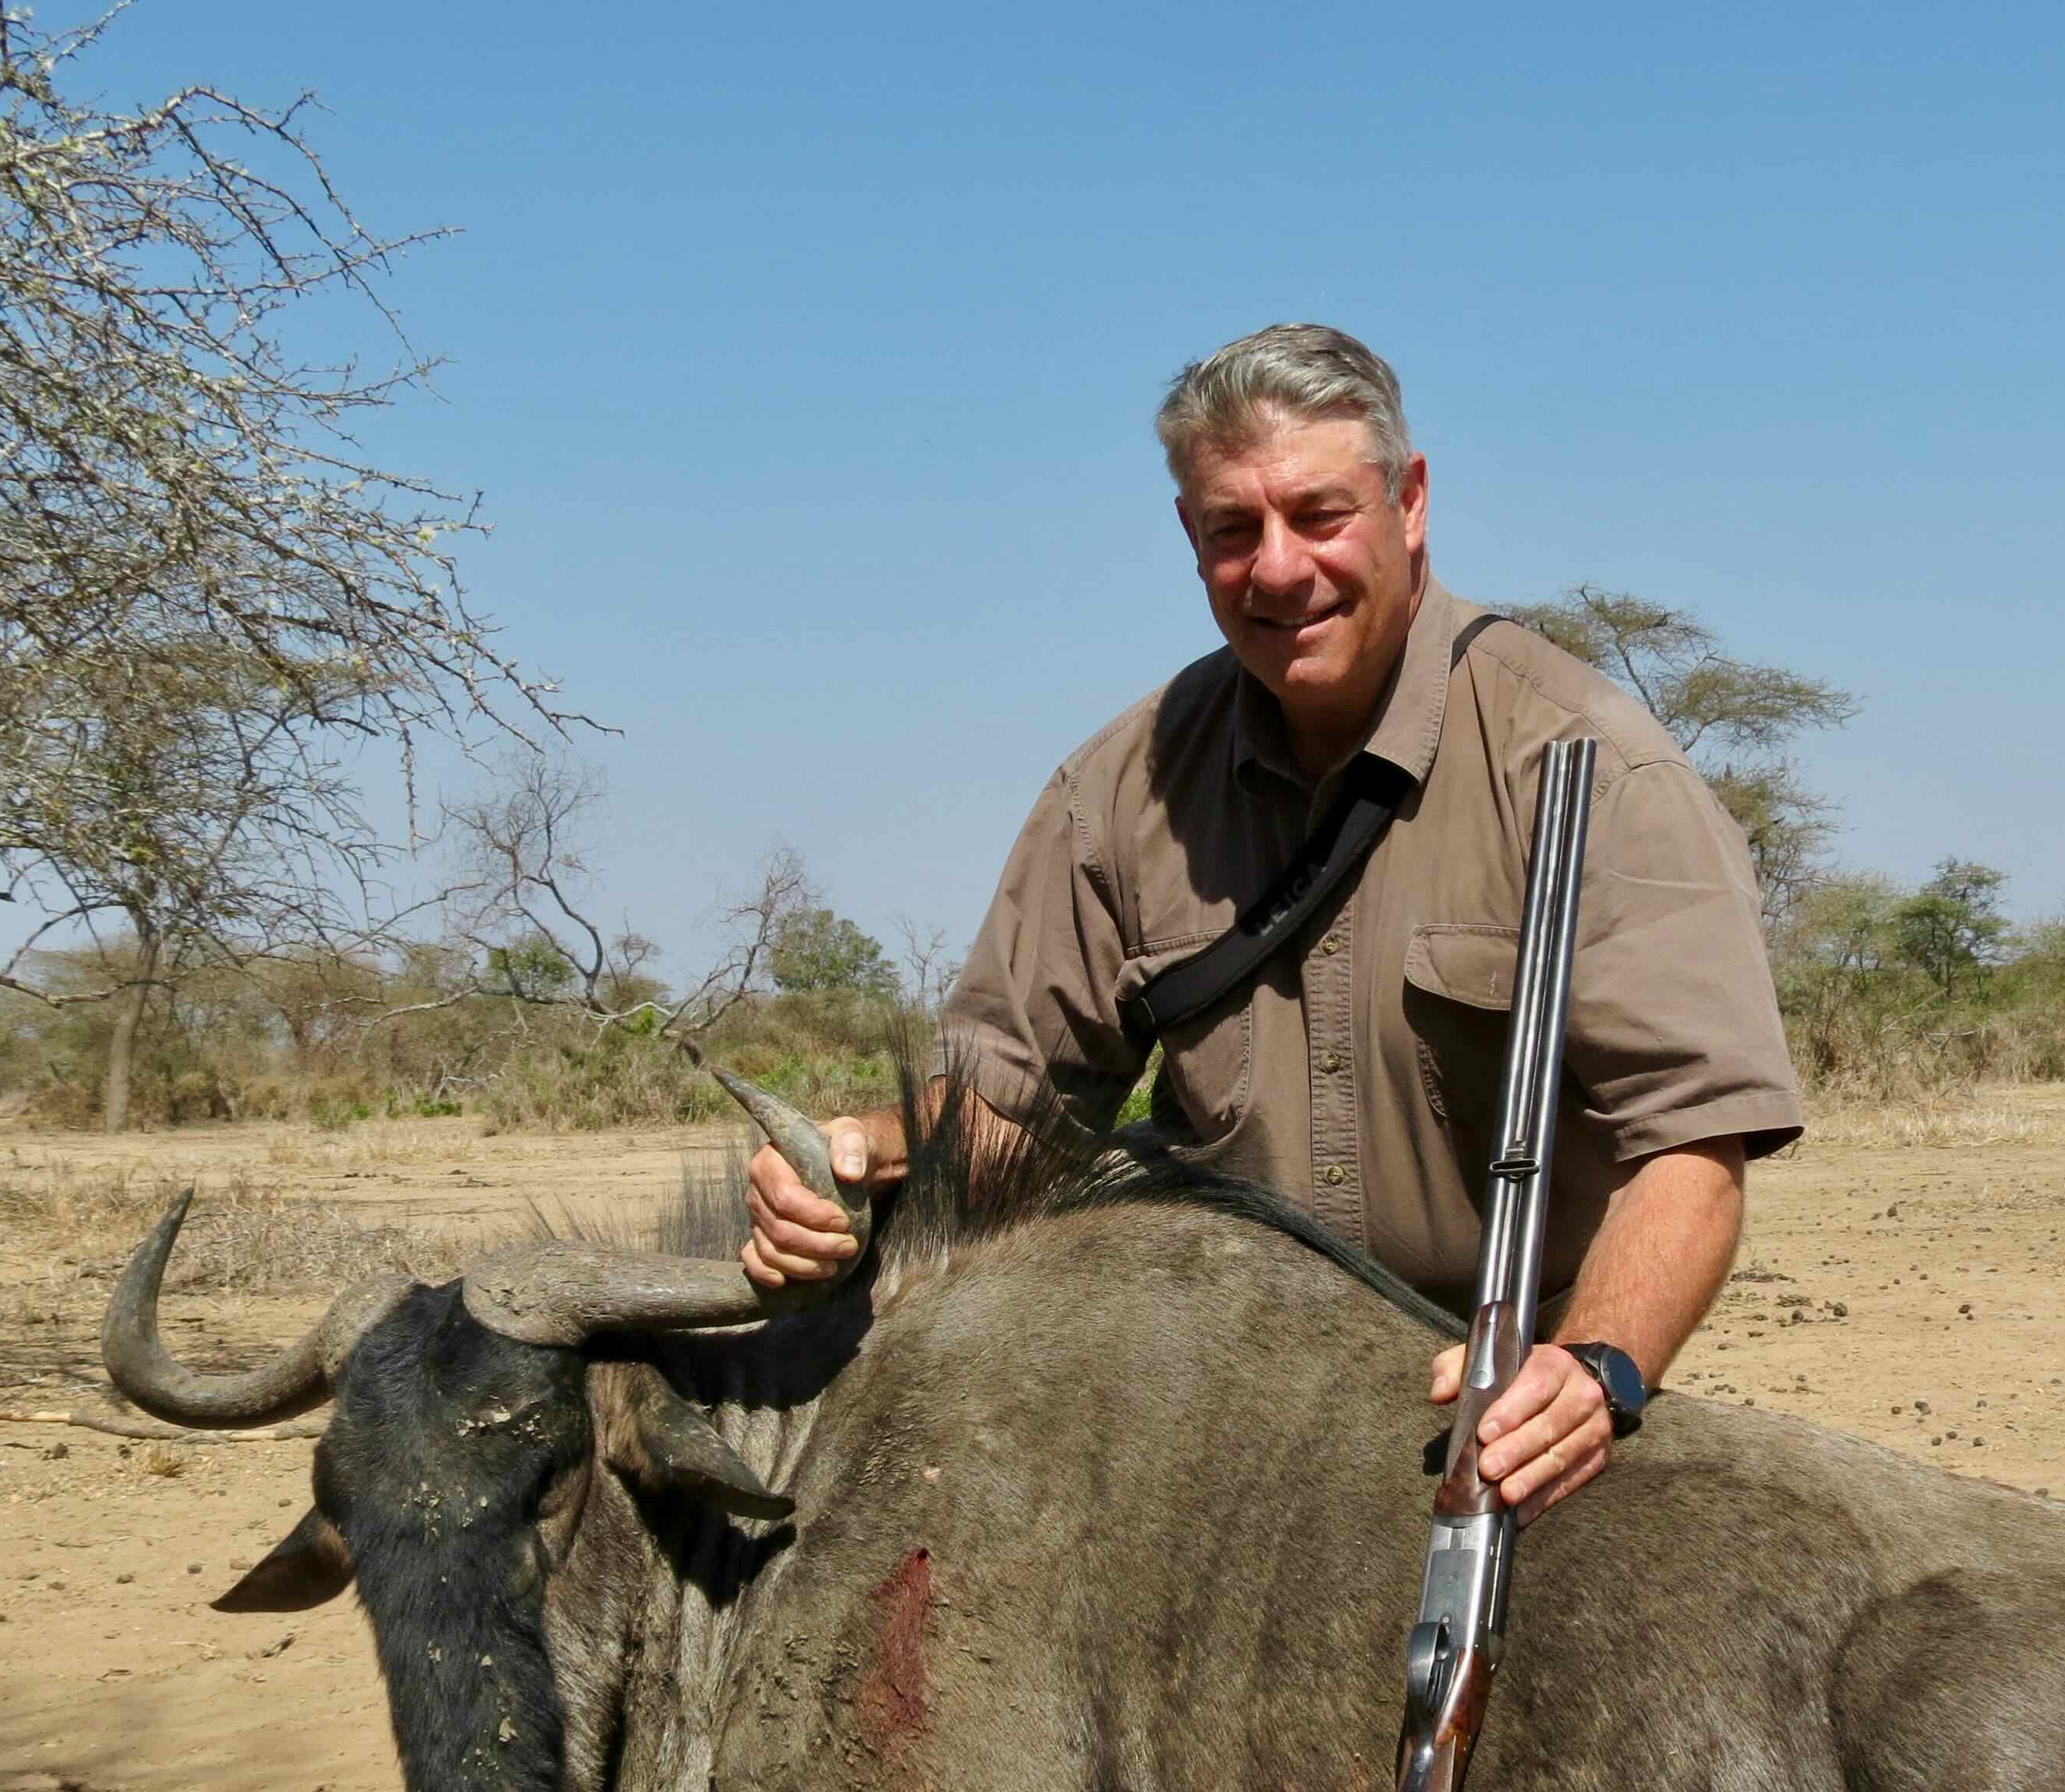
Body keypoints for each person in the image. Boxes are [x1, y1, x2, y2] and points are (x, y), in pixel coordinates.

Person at [744, 323, 1802, 1520]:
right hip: (1228, 1419)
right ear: (1189, 537)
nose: (1280, 569)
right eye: (1233, 530)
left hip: (1503, 1406)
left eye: (1319, 515)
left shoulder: (1590, 763)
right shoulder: (1115, 792)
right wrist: (858, 1156)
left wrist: (1594, 1366)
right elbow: (1015, 1111)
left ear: (1409, 502)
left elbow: (1692, 1152)